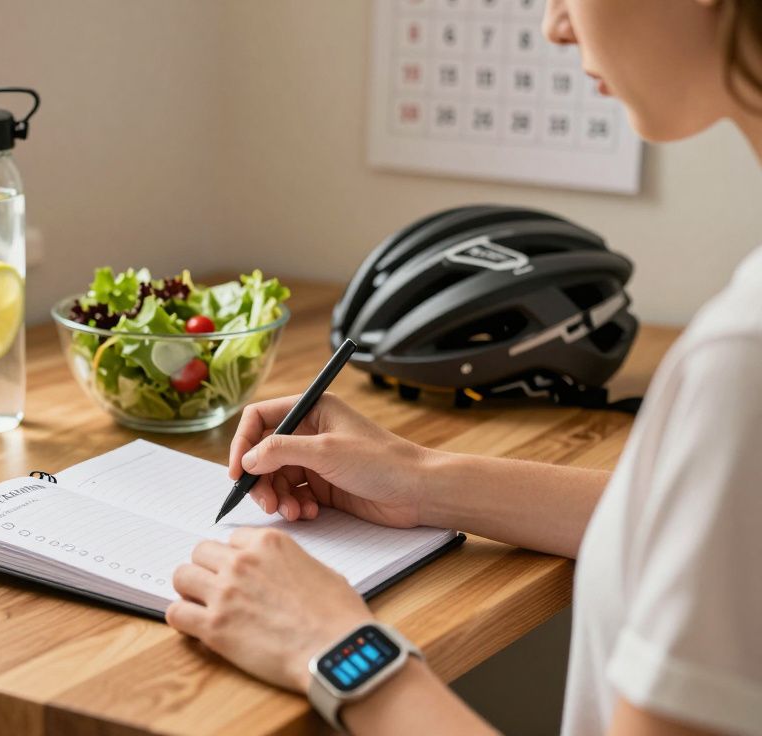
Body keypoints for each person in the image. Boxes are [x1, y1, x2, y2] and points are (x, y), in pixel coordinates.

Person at [164, 1, 762, 733]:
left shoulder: (743, 361)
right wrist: (419, 478)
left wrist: (333, 648)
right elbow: (711, 534)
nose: (554, 24)